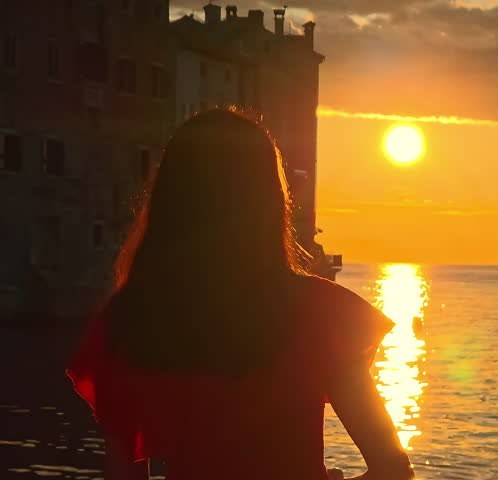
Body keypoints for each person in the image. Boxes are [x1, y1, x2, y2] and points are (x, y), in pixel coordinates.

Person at [66, 110, 415, 480]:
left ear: (172, 197)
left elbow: (124, 475)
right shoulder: (323, 314)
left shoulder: (131, 321)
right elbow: (392, 469)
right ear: (268, 198)